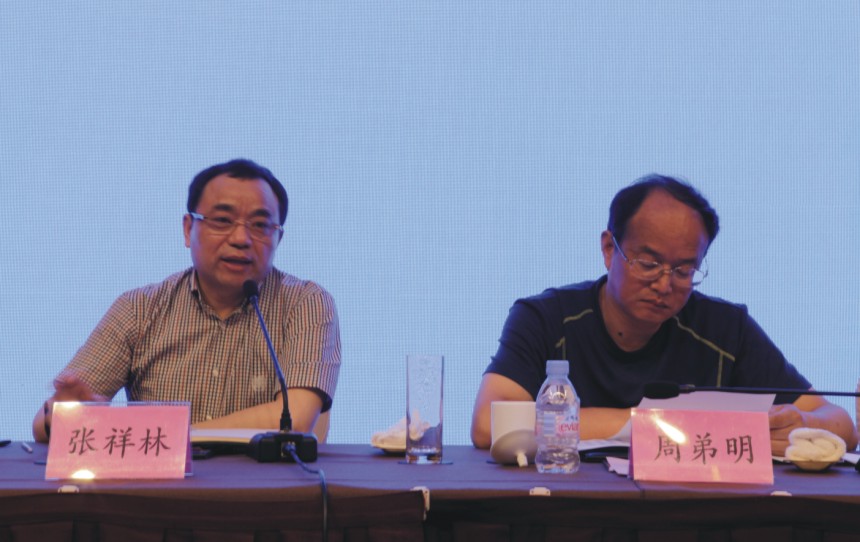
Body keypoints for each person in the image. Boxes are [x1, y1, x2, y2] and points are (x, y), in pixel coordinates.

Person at [471, 174, 857, 455]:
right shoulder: (545, 318)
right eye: (648, 263)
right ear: (609, 249)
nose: (664, 284)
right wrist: (654, 424)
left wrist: (803, 425)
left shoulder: (726, 330)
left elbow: (840, 422)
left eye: (684, 270)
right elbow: (489, 423)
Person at [33, 159, 341, 443]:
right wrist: (61, 417)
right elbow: (45, 425)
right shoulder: (139, 309)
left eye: (260, 225)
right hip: (160, 486)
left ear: (278, 239)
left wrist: (167, 438)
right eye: (222, 220)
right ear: (188, 229)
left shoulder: (305, 304)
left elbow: (294, 419)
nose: (241, 239)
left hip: (265, 486)